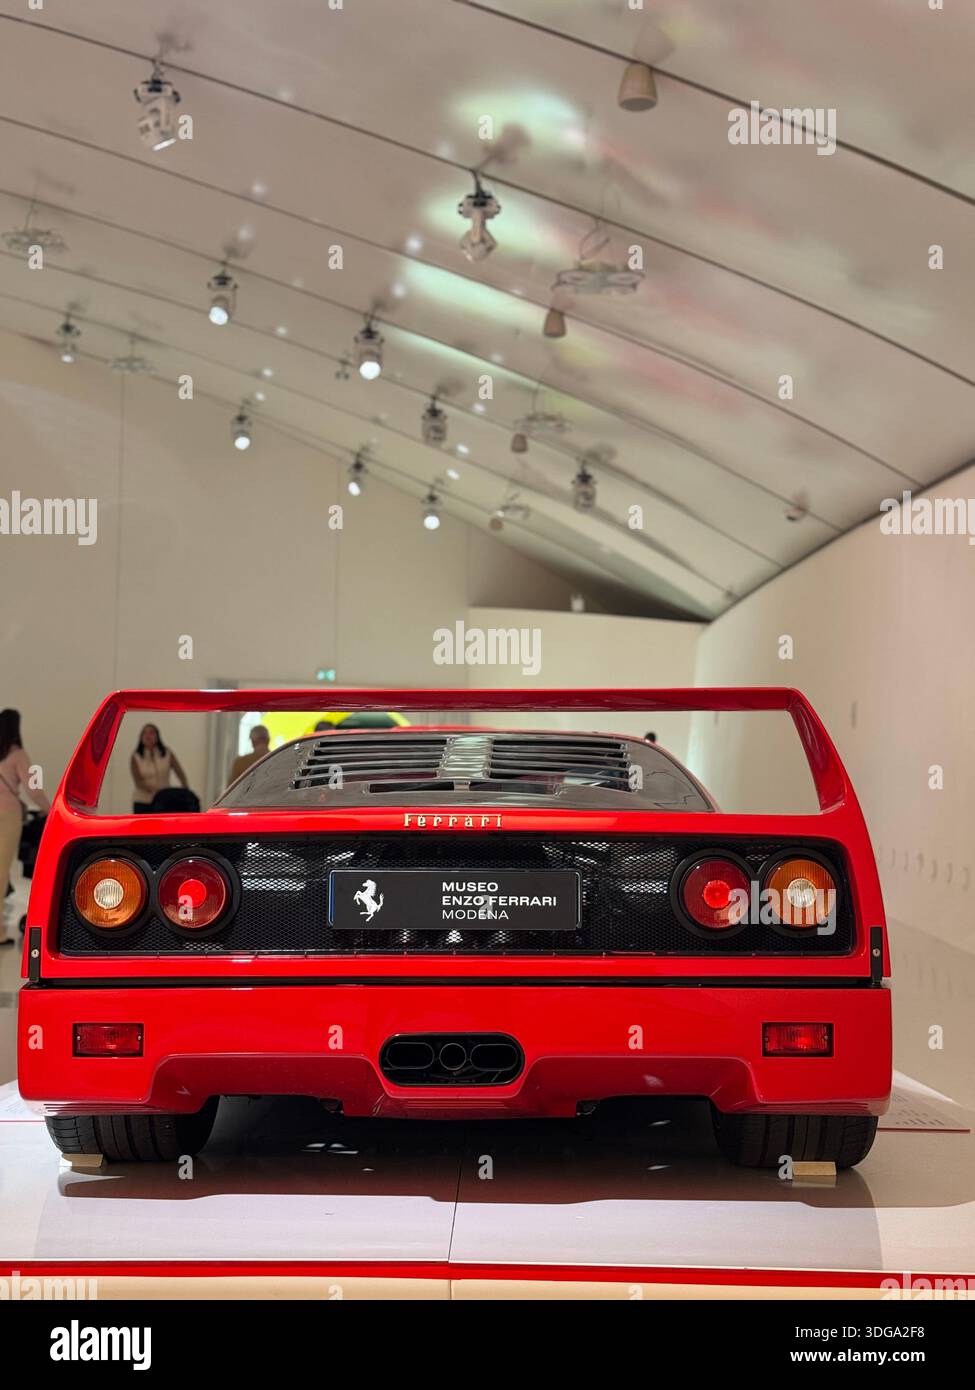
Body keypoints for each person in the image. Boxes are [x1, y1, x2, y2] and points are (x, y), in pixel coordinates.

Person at [0, 709, 51, 945]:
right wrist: (49, 809)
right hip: (7, 814)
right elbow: (34, 787)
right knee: (1, 872)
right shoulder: (18, 754)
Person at [130, 723, 188, 813]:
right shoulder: (136, 757)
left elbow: (179, 772)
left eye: (151, 733)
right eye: (144, 733)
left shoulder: (167, 753)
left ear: (157, 736)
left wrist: (185, 789)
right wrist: (153, 791)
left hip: (163, 801)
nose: (147, 736)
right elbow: (138, 781)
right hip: (142, 802)